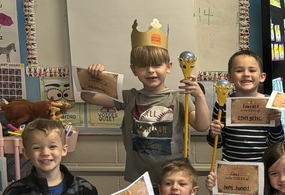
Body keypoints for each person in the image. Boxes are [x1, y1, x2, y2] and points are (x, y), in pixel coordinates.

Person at [82, 20, 210, 184]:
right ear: (133, 69)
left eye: (157, 65)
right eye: (143, 66)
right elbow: (89, 97)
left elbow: (202, 125)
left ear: (169, 67)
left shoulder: (178, 97)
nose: (150, 71)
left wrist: (199, 97)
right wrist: (93, 77)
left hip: (175, 180)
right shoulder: (129, 97)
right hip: (141, 180)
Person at [206, 50, 285, 195]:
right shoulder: (223, 103)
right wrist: (214, 132)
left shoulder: (269, 103)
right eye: (239, 70)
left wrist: (276, 122)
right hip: (233, 177)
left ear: (262, 76)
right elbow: (215, 142)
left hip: (261, 178)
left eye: (251, 70)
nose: (246, 75)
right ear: (230, 77)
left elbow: (277, 143)